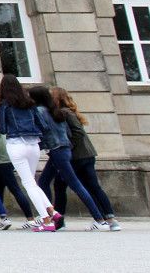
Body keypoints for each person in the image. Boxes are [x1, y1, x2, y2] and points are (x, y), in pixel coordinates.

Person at [30, 85, 109, 231]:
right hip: (64, 149)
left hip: (57, 151)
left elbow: (40, 131)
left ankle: (99, 219)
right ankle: (52, 217)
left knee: (75, 184)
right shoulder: (55, 111)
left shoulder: (39, 111)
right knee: (44, 181)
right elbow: (68, 132)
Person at [49, 87, 120, 231]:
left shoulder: (64, 113)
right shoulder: (70, 111)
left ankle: (60, 220)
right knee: (92, 186)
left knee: (61, 186)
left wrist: (68, 148)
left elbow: (77, 132)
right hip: (87, 154)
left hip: (77, 156)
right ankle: (110, 219)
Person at [0, 74, 58, 231]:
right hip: (33, 145)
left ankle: (46, 221)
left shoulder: (4, 104)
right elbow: (43, 125)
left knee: (28, 184)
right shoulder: (30, 103)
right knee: (32, 182)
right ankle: (53, 212)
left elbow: (2, 128)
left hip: (16, 144)